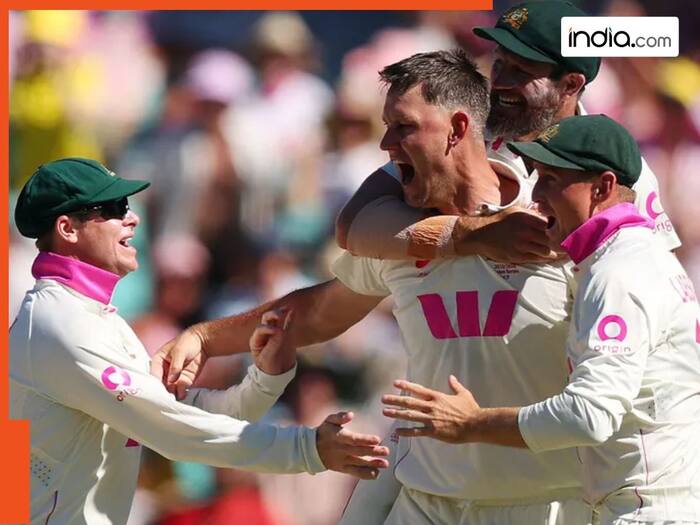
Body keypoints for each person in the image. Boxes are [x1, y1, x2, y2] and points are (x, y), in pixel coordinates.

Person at [153, 50, 591, 525]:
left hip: (542, 503)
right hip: (428, 500)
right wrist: (205, 338)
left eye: (404, 127)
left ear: (458, 129)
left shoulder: (554, 225)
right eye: (386, 126)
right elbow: (318, 310)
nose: (386, 144)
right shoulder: (401, 233)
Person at [10, 158, 389, 525]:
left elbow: (184, 414)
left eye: (125, 205)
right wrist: (307, 449)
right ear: (67, 229)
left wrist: (264, 380)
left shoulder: (93, 318)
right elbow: (173, 431)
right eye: (112, 208)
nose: (132, 217)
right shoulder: (61, 323)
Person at [381, 115, 700, 525]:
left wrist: (472, 423)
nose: (536, 194)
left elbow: (589, 415)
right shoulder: (630, 256)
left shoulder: (618, 271)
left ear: (602, 187)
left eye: (551, 180)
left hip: (649, 511)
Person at [335, 0, 680, 263]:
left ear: (571, 84)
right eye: (499, 64)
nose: (499, 82)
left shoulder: (617, 162)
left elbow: (657, 273)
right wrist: (475, 235)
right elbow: (352, 225)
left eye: (521, 71)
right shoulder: (466, 133)